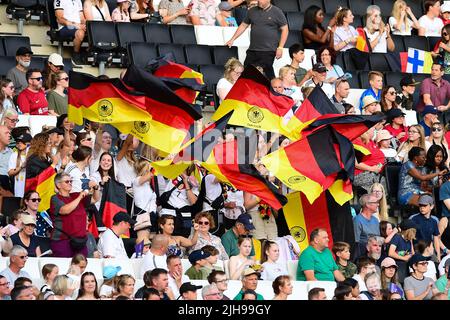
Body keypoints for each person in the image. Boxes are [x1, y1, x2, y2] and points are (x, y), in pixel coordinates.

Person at [225, 0, 288, 80]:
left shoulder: (277, 12)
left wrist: (280, 47)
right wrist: (232, 39)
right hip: (252, 49)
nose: (259, 1)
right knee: (246, 72)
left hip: (268, 50)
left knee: (264, 74)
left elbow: (285, 29)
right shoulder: (252, 11)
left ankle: (273, 88)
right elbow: (243, 25)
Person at [49, 172, 100, 257]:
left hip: (80, 241)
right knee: (65, 268)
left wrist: (96, 187)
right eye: (67, 181)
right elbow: (65, 210)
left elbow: (95, 199)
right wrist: (80, 197)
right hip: (63, 240)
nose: (70, 183)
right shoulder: (55, 198)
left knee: (81, 266)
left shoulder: (75, 195)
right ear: (58, 185)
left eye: (71, 181)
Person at [410, 194, 444, 261]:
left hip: (429, 250)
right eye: (420, 205)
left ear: (431, 206)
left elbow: (436, 238)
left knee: (435, 267)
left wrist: (438, 255)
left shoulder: (434, 221)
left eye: (425, 205)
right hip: (417, 249)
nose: (422, 208)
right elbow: (410, 237)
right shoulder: (414, 219)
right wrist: (412, 251)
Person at [8, 133, 31, 198]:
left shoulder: (32, 155)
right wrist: (21, 167)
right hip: (19, 190)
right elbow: (10, 172)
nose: (19, 144)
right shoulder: (14, 155)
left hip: (30, 188)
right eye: (18, 142)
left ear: (28, 143)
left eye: (22, 142)